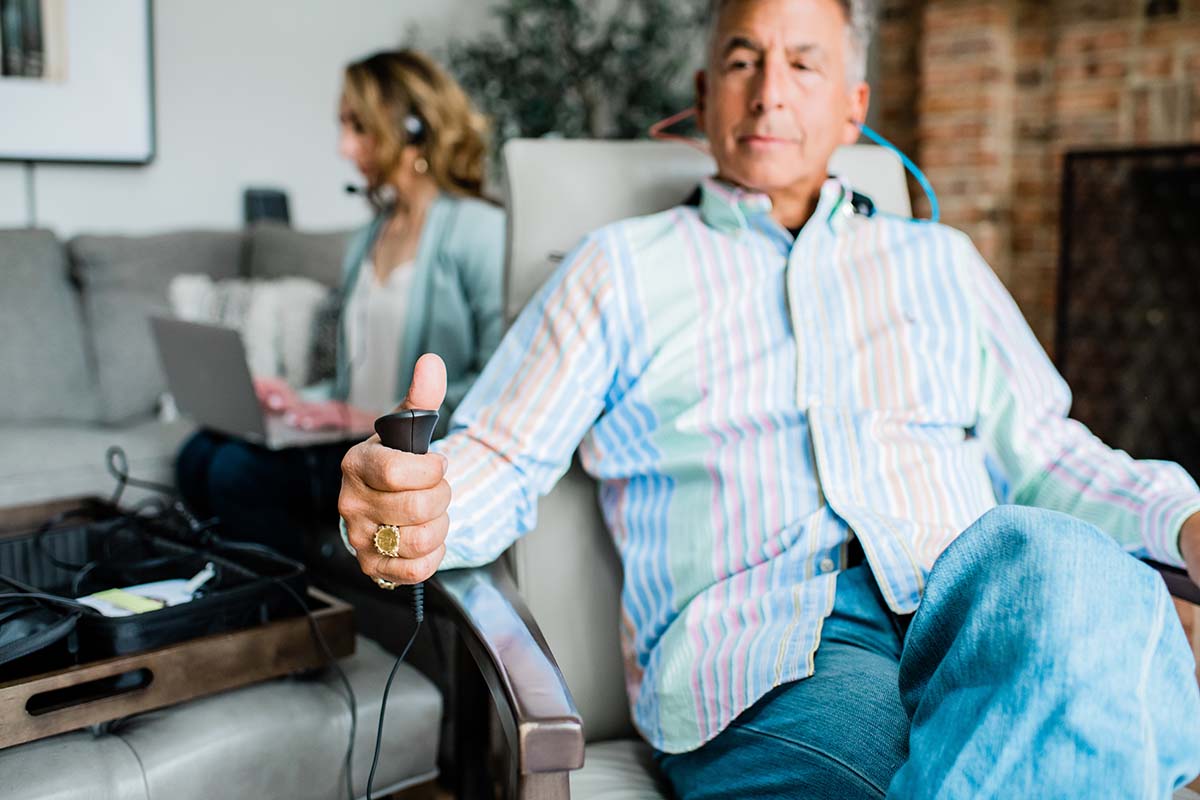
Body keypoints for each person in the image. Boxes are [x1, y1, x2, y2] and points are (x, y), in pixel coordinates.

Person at [337, 2, 1200, 796]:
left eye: (803, 64)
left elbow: (1050, 455)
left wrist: (1188, 521)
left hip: (976, 609)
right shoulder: (619, 268)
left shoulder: (944, 264)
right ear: (706, 95)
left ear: (855, 106)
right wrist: (420, 509)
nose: (769, 91)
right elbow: (500, 454)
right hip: (776, 661)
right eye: (744, 61)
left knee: (1080, 569)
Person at [176, 49, 504, 561]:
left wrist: (372, 414)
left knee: (232, 472)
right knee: (196, 453)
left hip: (395, 448)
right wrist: (300, 400)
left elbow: (499, 381)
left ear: (412, 128)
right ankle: (235, 608)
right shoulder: (367, 239)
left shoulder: (477, 230)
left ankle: (283, 615)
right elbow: (353, 381)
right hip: (347, 433)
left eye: (359, 127)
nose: (344, 147)